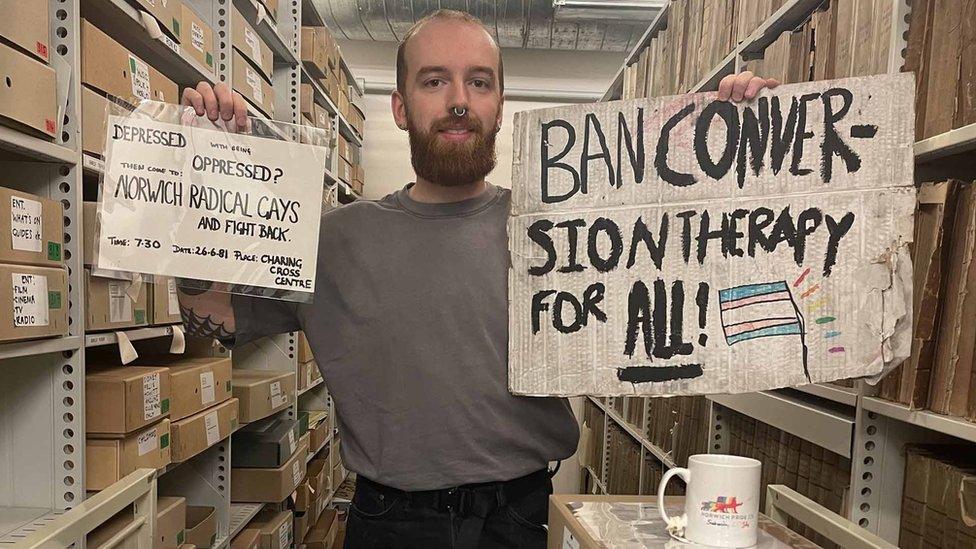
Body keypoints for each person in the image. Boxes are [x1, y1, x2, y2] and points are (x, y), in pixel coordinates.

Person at [177, 9, 778, 548]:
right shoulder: (331, 239)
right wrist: (209, 179)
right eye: (434, 80)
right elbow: (211, 312)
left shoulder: (564, 236)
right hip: (389, 526)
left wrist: (744, 151)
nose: (458, 99)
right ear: (400, 105)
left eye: (479, 82)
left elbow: (709, 273)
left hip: (518, 521)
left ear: (499, 103)